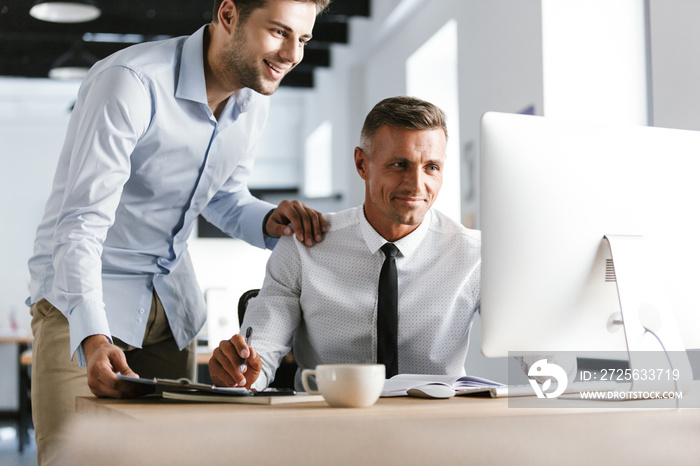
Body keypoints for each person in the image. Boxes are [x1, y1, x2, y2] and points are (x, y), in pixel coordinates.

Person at [26, 0, 330, 463]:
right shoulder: (130, 83)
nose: (292, 54)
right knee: (76, 458)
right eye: (279, 32)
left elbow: (224, 196)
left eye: (302, 39)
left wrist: (270, 219)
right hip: (84, 306)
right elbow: (82, 222)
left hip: (171, 311)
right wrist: (92, 336)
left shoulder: (252, 100)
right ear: (229, 15)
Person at [209, 96, 482, 390]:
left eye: (431, 167)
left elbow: (531, 343)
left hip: (439, 422)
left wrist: (542, 398)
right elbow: (262, 348)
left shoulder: (475, 254)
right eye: (400, 164)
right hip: (326, 423)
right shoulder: (303, 246)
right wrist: (242, 374)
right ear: (362, 163)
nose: (416, 184)